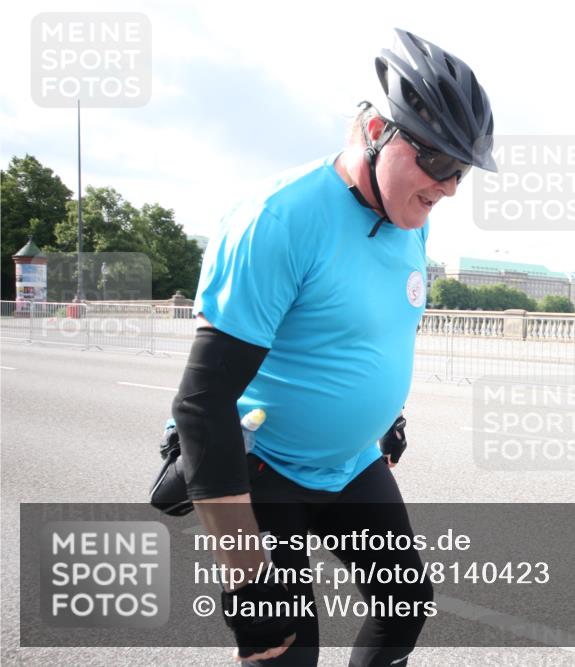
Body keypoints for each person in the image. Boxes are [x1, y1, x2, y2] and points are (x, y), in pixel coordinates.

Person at [170, 28, 496, 666]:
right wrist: (245, 580)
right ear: (376, 129)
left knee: (406, 606)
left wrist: (386, 415)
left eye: (461, 170)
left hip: (348, 463)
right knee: (286, 651)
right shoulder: (278, 218)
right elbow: (201, 405)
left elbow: (370, 327)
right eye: (436, 160)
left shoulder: (411, 220)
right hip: (264, 466)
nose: (450, 185)